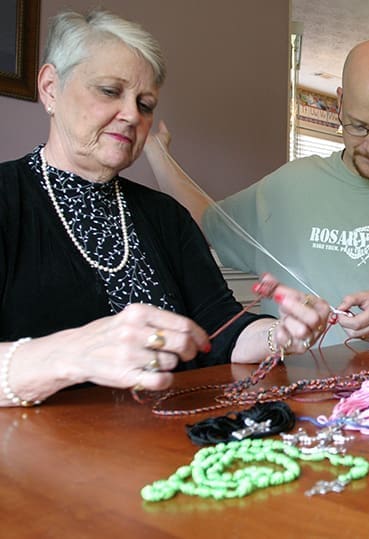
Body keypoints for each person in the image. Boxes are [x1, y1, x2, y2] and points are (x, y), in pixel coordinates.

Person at [0, 10, 331, 408]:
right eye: (109, 90)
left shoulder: (165, 217)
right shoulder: (7, 199)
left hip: (177, 445)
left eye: (145, 103)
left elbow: (222, 328)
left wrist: (280, 336)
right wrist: (71, 354)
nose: (131, 115)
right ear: (50, 87)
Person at [146, 39, 369, 346]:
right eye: (358, 126)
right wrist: (157, 154)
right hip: (292, 404)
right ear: (339, 105)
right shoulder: (290, 185)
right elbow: (205, 220)